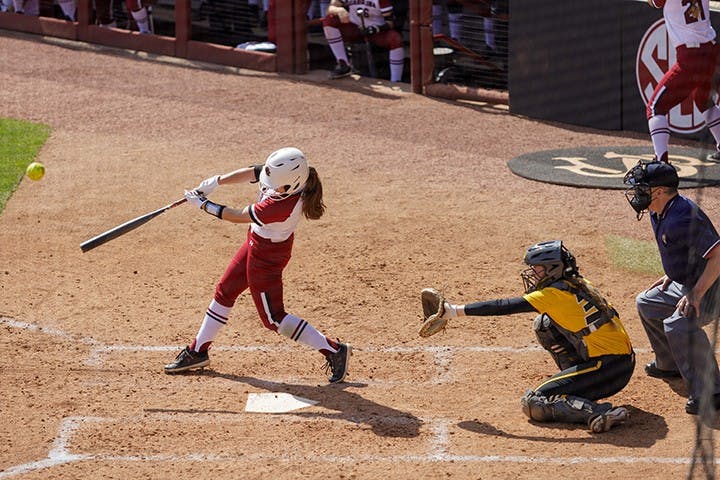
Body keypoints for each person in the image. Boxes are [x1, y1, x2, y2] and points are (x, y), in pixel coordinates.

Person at [164, 147, 351, 384]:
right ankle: (198, 350)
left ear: (291, 185)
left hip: (267, 257)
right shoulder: (283, 176)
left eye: (275, 184)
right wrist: (216, 181)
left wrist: (203, 204)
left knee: (273, 319)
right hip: (255, 242)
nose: (269, 185)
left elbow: (236, 215)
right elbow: (251, 172)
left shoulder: (281, 206)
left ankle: (334, 350)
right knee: (225, 291)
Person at [423, 240, 635, 433]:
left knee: (535, 402)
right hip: (618, 361)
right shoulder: (576, 282)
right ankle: (576, 387)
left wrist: (453, 311)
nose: (533, 274)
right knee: (545, 325)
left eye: (538, 269)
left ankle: (600, 412)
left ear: (553, 269)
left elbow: (503, 307)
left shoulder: (553, 295)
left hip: (609, 367)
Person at [623, 159, 720, 415]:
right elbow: (679, 250)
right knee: (647, 302)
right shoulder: (658, 210)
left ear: (659, 191)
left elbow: (718, 255)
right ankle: (669, 363)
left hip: (712, 286)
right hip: (688, 280)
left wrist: (697, 294)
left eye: (643, 188)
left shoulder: (683, 216)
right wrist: (672, 274)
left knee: (679, 322)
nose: (637, 192)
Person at [645, 0, 720, 163]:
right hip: (713, 51)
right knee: (703, 99)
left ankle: (661, 165)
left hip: (691, 56)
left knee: (655, 108)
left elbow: (655, 2)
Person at [322, 0, 405, 82]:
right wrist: (338, 10)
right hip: (355, 27)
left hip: (377, 31)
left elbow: (391, 22)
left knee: (395, 38)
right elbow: (330, 8)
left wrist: (376, 29)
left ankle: (396, 79)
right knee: (329, 20)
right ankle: (343, 64)